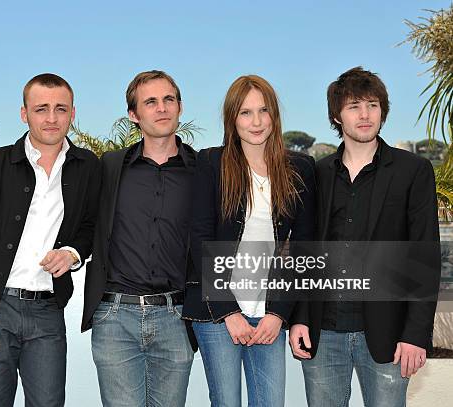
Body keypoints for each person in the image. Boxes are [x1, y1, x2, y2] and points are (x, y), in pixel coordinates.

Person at [289, 67, 440, 407]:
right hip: (323, 332)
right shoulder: (319, 173)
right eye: (354, 106)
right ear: (336, 115)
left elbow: (424, 255)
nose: (365, 114)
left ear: (383, 111)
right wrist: (299, 317)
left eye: (373, 105)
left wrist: (415, 335)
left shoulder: (413, 171)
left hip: (388, 335)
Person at [0, 73, 100, 407]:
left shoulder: (88, 166)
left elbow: (92, 226)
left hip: (48, 312)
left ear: (72, 114)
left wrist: (73, 252)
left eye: (60, 109)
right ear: (25, 114)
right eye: (41, 109)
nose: (51, 118)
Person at [182, 74, 316, 406]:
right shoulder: (212, 163)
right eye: (245, 112)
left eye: (263, 111)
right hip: (218, 312)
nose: (256, 122)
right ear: (232, 118)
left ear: (275, 115)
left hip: (269, 314)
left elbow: (303, 247)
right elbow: (200, 239)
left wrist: (279, 313)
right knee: (226, 402)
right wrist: (229, 311)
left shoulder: (300, 168)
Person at [82, 70, 196, 407]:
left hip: (176, 316)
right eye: (150, 102)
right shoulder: (110, 166)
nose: (161, 108)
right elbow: (85, 224)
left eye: (168, 100)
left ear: (179, 107)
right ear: (134, 115)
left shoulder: (203, 170)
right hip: (115, 317)